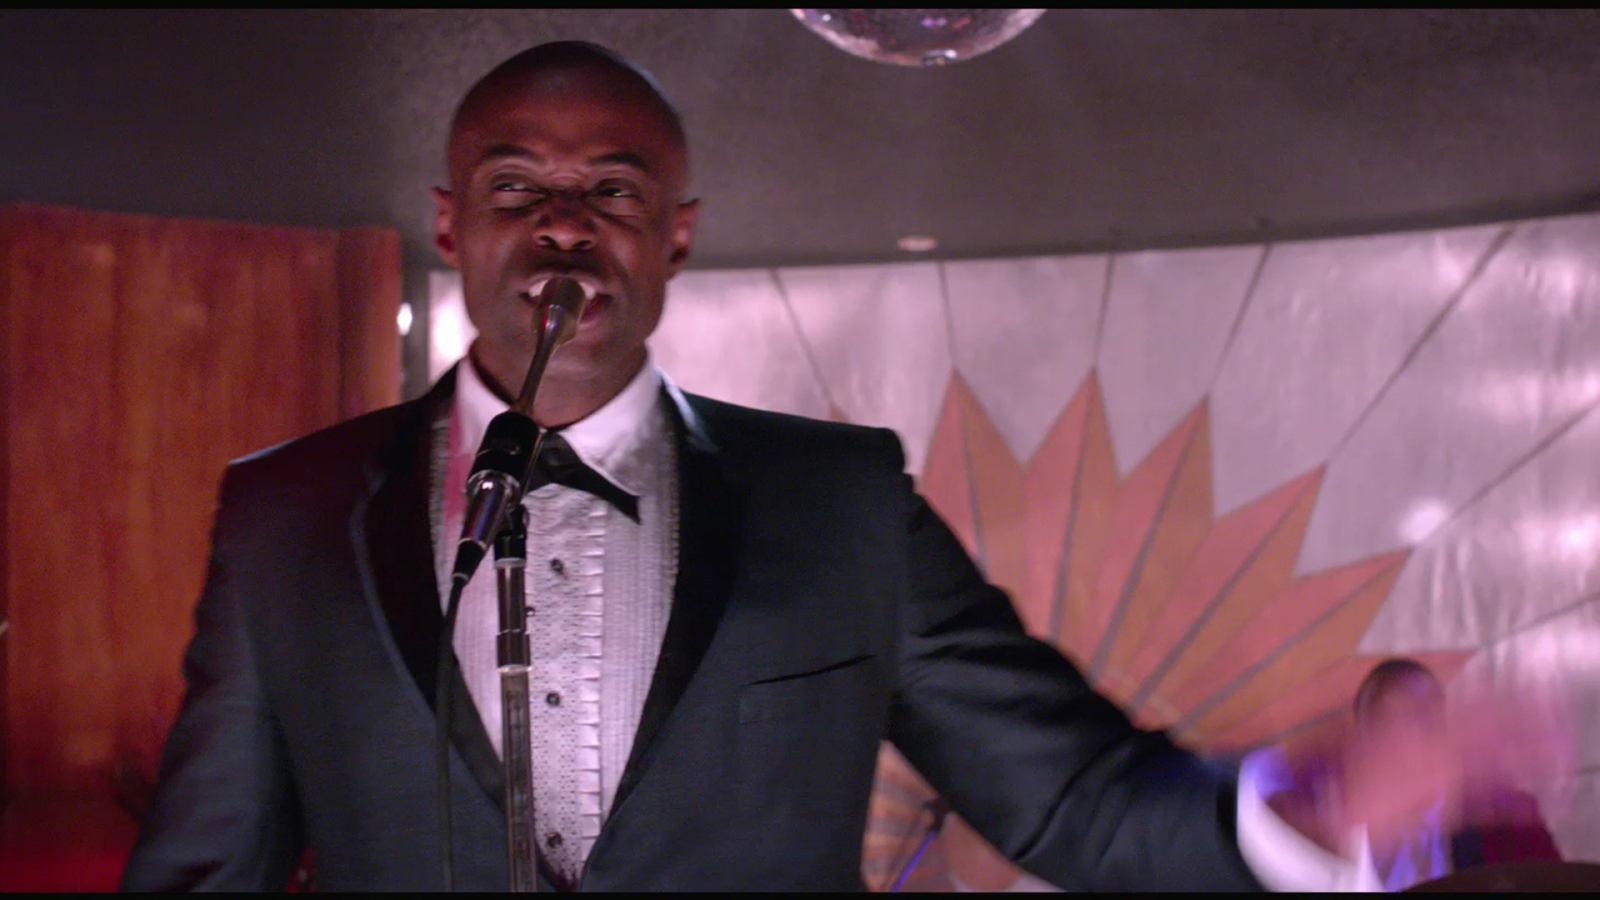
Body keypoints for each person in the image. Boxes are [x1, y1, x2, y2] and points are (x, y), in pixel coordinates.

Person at [119, 41, 1537, 892]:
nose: (563, 229)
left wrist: (1309, 818)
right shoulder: (287, 511)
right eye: (515, 189)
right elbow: (206, 862)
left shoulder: (841, 502)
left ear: (676, 234)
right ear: (450, 225)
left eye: (611, 189)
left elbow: (1066, 795)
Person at [1348, 659, 1562, 891]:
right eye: (1386, 721)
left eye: (1422, 716)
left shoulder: (1506, 818)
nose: (1408, 735)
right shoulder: (1340, 836)